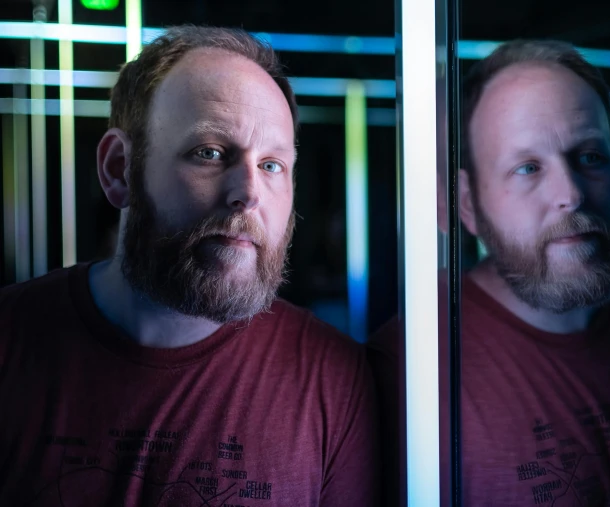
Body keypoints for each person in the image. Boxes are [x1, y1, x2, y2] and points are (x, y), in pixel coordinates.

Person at [0, 26, 377, 506]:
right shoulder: (11, 342)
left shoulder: (336, 381)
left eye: (272, 165)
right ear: (119, 170)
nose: (248, 193)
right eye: (211, 153)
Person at [369, 39, 610, 507]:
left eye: (590, 157)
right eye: (528, 167)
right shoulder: (411, 369)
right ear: (466, 204)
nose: (570, 192)